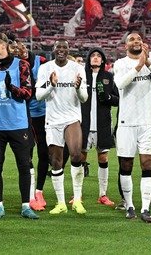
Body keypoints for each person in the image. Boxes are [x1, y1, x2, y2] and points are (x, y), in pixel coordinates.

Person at [0, 32, 38, 219]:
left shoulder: (21, 65)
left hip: (18, 124)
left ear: (3, 45)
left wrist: (11, 87)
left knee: (24, 164)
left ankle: (26, 206)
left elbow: (28, 94)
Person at [112, 33, 151, 223]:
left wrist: (148, 63)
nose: (136, 42)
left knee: (147, 165)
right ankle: (129, 206)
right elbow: (120, 84)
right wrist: (138, 66)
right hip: (126, 123)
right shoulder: (120, 64)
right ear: (125, 45)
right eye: (131, 40)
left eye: (138, 39)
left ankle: (145, 208)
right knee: (125, 165)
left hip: (148, 122)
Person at [36, 39, 88, 215]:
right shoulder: (45, 68)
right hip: (53, 120)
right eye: (58, 47)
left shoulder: (77, 68)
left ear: (68, 50)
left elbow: (84, 98)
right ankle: (61, 203)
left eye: (64, 47)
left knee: (75, 154)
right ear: (54, 49)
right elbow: (38, 96)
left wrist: (79, 88)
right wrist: (51, 85)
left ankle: (77, 200)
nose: (61, 50)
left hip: (72, 117)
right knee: (56, 161)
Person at [81, 47, 118, 207]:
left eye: (98, 56)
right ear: (88, 59)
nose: (95, 58)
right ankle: (78, 194)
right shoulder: (82, 76)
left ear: (103, 60)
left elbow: (119, 99)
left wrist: (108, 97)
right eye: (93, 56)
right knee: (80, 158)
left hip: (103, 125)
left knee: (103, 158)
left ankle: (103, 194)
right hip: (83, 125)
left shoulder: (109, 77)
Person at [15, 40, 48, 211]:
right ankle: (29, 193)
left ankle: (39, 191)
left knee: (44, 152)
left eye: (23, 47)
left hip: (41, 114)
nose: (22, 50)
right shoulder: (12, 65)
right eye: (18, 49)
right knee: (25, 153)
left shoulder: (40, 62)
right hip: (20, 115)